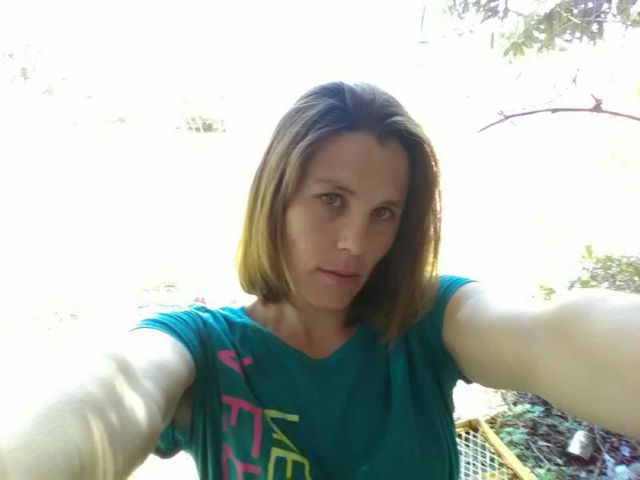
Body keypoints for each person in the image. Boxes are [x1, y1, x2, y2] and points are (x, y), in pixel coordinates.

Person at [1, 82, 638, 480]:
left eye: (383, 214)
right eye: (331, 199)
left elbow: (548, 337)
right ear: (276, 200)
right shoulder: (204, 350)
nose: (356, 243)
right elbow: (108, 394)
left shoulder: (426, 323)